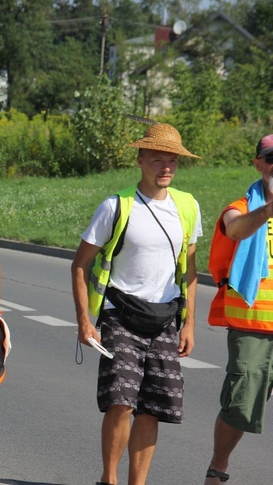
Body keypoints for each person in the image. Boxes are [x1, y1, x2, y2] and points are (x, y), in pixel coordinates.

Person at [70, 123, 202, 485]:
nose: (166, 167)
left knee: (152, 410)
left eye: (172, 160)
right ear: (140, 160)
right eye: (158, 159)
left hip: (165, 319)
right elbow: (80, 264)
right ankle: (109, 479)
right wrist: (84, 320)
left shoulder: (187, 207)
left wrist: (190, 324)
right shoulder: (116, 206)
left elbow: (190, 271)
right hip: (121, 315)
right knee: (122, 401)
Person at [203, 134, 273, 485]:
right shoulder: (242, 207)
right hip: (254, 326)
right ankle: (218, 469)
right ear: (258, 163)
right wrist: (269, 208)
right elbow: (235, 230)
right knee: (240, 406)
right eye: (272, 157)